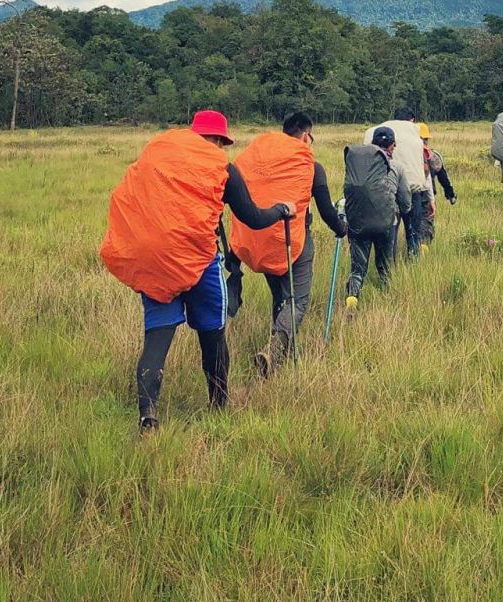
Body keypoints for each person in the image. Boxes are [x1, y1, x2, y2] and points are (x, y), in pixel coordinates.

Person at [99, 109, 293, 430]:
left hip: (156, 263)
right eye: (221, 143)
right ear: (217, 139)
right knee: (212, 336)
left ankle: (148, 416)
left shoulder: (159, 158)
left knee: (157, 339)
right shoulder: (222, 168)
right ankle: (218, 406)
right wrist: (281, 209)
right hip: (200, 264)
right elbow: (253, 218)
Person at [227, 112, 348, 378]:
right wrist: (342, 229)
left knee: (280, 297)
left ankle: (276, 356)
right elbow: (326, 210)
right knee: (297, 301)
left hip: (260, 241)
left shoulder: (260, 161)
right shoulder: (311, 167)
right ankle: (274, 351)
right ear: (305, 135)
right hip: (294, 242)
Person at [342, 125, 411, 310]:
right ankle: (387, 303)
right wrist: (404, 211)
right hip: (386, 223)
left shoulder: (358, 165)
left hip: (358, 222)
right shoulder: (396, 167)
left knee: (358, 269)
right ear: (392, 146)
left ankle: (352, 300)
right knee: (385, 266)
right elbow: (405, 199)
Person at [364, 110, 430, 258]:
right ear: (412, 119)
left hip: (383, 191)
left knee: (390, 233)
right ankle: (413, 258)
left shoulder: (376, 131)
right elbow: (425, 169)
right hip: (412, 190)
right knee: (413, 232)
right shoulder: (415, 138)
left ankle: (389, 262)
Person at [418, 122, 456, 246]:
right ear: (426, 139)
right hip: (427, 194)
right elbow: (443, 177)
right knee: (427, 221)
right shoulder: (432, 156)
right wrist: (450, 194)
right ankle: (423, 247)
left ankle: (412, 248)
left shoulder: (405, 155)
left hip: (409, 193)